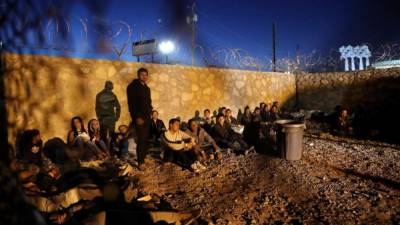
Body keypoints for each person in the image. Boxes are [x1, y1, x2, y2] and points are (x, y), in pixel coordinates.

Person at [127, 68, 153, 170]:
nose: (144, 76)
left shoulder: (147, 88)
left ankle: (143, 156)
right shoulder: (132, 87)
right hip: (139, 118)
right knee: (141, 139)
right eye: (142, 75)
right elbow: (131, 104)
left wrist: (150, 112)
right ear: (138, 75)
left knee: (146, 139)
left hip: (147, 117)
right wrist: (137, 117)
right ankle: (140, 162)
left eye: (146, 75)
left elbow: (149, 103)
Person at [95, 81, 121, 145]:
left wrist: (117, 116)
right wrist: (117, 116)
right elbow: (97, 108)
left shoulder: (100, 95)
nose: (112, 87)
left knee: (110, 136)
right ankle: (106, 151)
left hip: (108, 117)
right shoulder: (101, 95)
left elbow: (118, 107)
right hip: (105, 117)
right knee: (105, 135)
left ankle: (109, 150)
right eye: (111, 86)